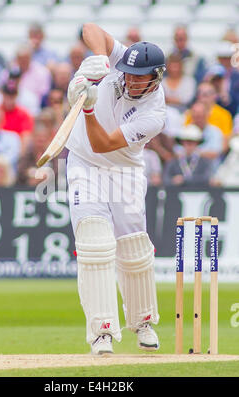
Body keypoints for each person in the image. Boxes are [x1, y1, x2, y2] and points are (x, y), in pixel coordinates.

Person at [61, 22, 166, 354]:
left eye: (141, 77)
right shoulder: (123, 64)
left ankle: (142, 321)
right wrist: (98, 59)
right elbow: (91, 27)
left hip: (124, 170)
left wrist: (88, 107)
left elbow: (104, 142)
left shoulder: (154, 113)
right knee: (93, 242)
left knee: (133, 249)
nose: (132, 80)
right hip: (84, 163)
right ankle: (101, 331)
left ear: (157, 77)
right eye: (128, 74)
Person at [184, 81, 233, 154]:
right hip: (191, 154)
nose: (202, 97)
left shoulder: (224, 115)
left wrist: (209, 153)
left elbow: (225, 145)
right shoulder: (190, 113)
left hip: (214, 154)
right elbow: (184, 138)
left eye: (206, 94)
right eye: (199, 93)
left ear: (215, 95)